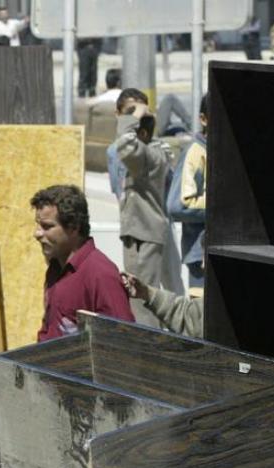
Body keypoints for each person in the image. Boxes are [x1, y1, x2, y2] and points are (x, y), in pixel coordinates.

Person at [32, 185, 133, 342]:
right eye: (38, 225)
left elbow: (124, 341)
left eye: (47, 227)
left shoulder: (101, 274)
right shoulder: (55, 269)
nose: (37, 234)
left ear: (73, 227)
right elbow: (48, 333)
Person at [115, 99, 171, 327]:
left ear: (144, 134)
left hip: (144, 234)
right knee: (138, 296)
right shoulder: (153, 153)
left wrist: (135, 115)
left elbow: (125, 144)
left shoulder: (150, 156)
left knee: (141, 298)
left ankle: (147, 342)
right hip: (141, 232)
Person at [176, 94, 207, 288]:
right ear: (203, 119)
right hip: (198, 252)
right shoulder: (195, 152)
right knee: (200, 304)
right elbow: (180, 204)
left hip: (218, 247)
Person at [106, 87, 148, 200]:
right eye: (130, 113)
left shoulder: (155, 149)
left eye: (140, 114)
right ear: (117, 114)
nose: (136, 120)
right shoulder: (114, 151)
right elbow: (120, 193)